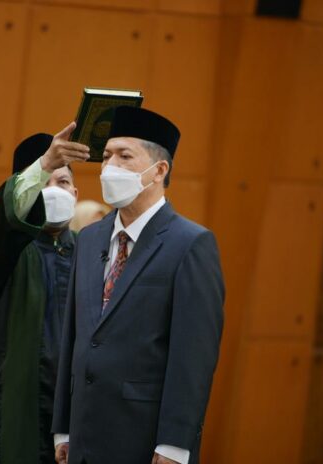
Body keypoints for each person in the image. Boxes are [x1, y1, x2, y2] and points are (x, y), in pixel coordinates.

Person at [52, 106, 225, 464]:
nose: (110, 167)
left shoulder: (190, 244)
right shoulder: (89, 238)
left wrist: (174, 444)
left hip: (143, 440)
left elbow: (193, 356)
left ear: (159, 171)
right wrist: (63, 427)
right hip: (83, 437)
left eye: (124, 156)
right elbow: (74, 337)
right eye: (106, 156)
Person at [0, 124, 89, 463]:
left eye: (62, 182)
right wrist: (44, 165)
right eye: (44, 182)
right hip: (17, 414)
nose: (54, 191)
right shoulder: (4, 251)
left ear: (76, 194)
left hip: (75, 418)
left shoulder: (91, 252)